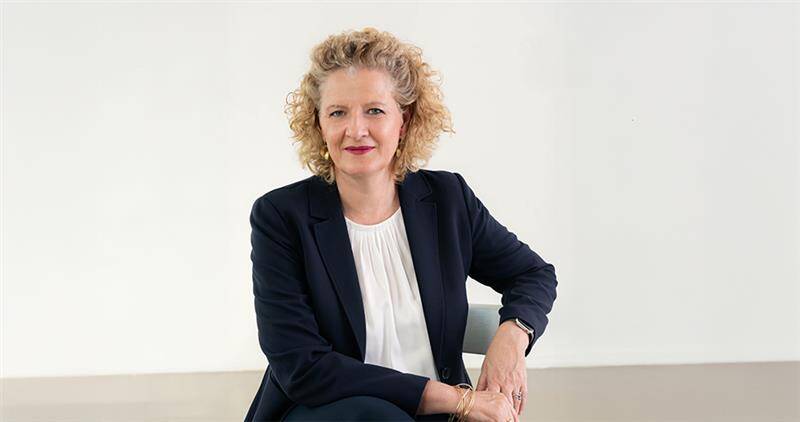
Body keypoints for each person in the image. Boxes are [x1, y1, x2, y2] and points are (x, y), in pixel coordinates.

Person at [244, 27, 558, 422]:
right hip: (327, 413)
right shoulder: (281, 217)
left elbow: (533, 274)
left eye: (374, 110)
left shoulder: (447, 199)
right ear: (320, 124)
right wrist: (459, 401)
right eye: (338, 112)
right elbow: (303, 367)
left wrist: (513, 336)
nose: (356, 129)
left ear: (404, 121)